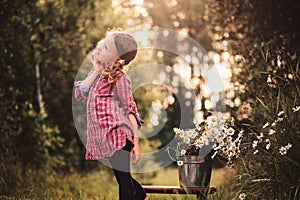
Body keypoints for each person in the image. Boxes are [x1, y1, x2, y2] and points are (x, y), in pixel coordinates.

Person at [74, 31, 148, 200]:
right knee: (123, 176)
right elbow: (79, 94)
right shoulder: (98, 74)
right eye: (102, 43)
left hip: (119, 134)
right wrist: (96, 71)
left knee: (123, 180)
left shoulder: (120, 78)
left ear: (116, 58)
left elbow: (130, 109)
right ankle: (142, 197)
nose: (100, 48)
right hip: (106, 137)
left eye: (106, 47)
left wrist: (135, 142)